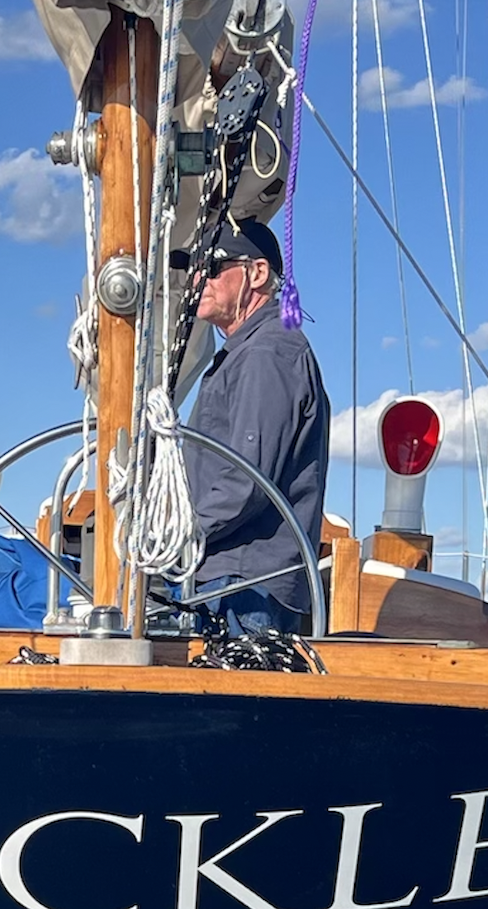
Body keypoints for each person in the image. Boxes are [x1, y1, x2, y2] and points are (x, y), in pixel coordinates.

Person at [181, 217, 330, 635]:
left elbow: (247, 479)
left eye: (212, 267)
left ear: (258, 273)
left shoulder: (267, 354)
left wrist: (178, 536)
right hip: (229, 576)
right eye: (194, 269)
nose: (198, 279)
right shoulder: (249, 353)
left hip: (244, 586)